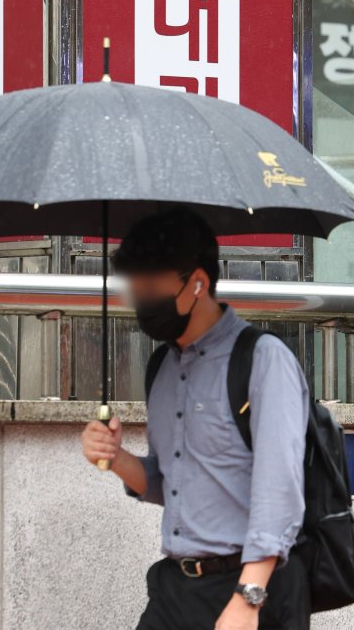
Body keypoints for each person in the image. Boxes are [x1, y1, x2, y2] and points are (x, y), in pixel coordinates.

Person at [81, 207, 311, 630]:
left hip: (253, 587)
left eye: (151, 285)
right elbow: (169, 483)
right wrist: (115, 458)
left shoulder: (262, 360)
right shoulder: (162, 369)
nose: (141, 298)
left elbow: (280, 488)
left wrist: (249, 597)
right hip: (174, 589)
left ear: (197, 282)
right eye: (135, 286)